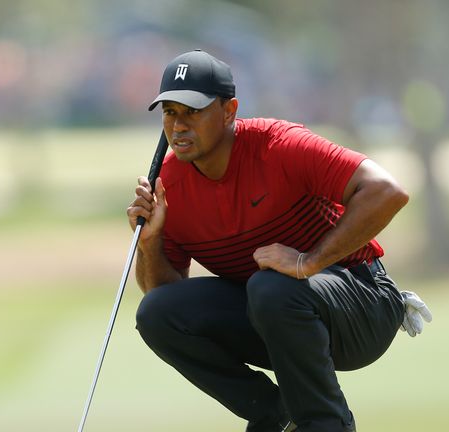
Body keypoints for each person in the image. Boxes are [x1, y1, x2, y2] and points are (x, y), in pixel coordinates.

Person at [126, 50, 432, 432]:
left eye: (193, 111)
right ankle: (276, 414)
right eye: (170, 112)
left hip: (362, 305)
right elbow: (164, 298)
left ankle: (326, 425)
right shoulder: (168, 184)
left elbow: (387, 191)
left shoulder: (279, 146)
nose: (179, 125)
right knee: (157, 312)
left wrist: (309, 261)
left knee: (272, 286)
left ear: (229, 110)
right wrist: (150, 241)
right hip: (273, 313)